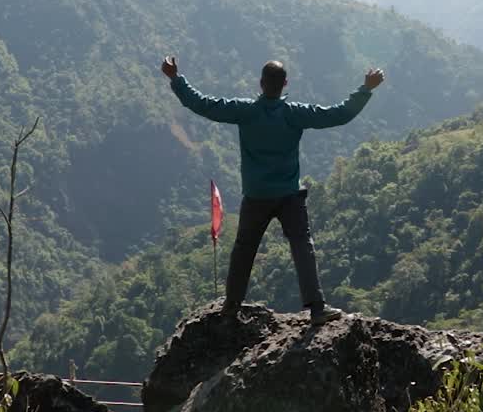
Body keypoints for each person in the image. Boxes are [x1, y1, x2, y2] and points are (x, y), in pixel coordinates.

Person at [162, 56, 384, 325]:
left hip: (256, 196)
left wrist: (176, 78)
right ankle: (316, 308)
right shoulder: (294, 113)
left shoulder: (246, 111)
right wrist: (366, 89)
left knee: (244, 250)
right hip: (290, 195)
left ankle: (231, 306)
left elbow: (203, 104)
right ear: (285, 84)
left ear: (261, 83)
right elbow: (338, 114)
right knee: (302, 246)